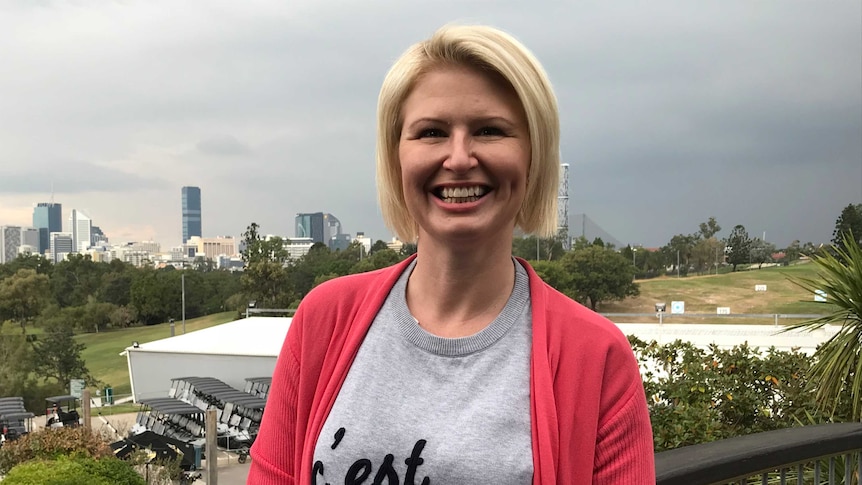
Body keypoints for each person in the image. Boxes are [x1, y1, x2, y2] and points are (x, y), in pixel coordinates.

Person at [248, 24, 655, 484]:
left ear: (533, 156)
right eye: (431, 132)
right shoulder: (324, 320)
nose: (459, 158)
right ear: (395, 156)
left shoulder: (595, 357)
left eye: (489, 130)